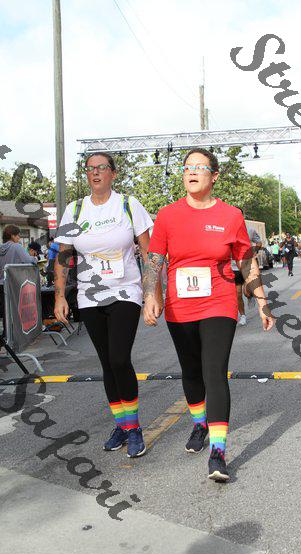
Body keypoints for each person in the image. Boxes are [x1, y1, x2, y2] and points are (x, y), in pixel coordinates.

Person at [142, 147, 275, 482]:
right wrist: (150, 296)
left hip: (219, 301)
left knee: (214, 371)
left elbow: (246, 261)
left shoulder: (230, 215)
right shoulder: (167, 215)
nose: (191, 171)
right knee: (191, 371)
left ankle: (218, 452)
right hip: (180, 305)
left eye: (199, 167)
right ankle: (199, 423)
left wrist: (261, 300)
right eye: (187, 167)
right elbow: (155, 260)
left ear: (214, 176)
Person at [54, 152, 153, 458]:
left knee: (120, 358)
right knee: (107, 363)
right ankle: (121, 425)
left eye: (101, 168)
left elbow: (149, 253)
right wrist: (59, 295)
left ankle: (134, 428)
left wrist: (152, 293)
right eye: (89, 169)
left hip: (125, 291)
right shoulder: (74, 209)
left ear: (113, 173)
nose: (95, 173)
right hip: (90, 295)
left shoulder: (128, 204)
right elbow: (63, 256)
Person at [0, 225, 37, 336]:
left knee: (5, 311)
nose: (19, 238)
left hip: (1, 283)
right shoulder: (16, 247)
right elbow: (28, 260)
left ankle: (6, 336)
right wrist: (34, 258)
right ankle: (13, 337)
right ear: (12, 236)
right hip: (13, 284)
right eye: (17, 235)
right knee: (14, 311)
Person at [231, 216, 262, 326]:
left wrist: (254, 251)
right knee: (238, 293)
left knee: (246, 291)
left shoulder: (250, 230)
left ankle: (249, 295)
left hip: (247, 264)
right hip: (234, 266)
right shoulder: (227, 230)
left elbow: (259, 243)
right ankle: (243, 315)